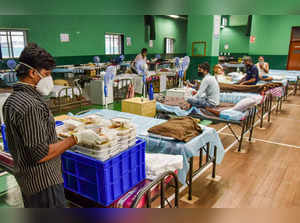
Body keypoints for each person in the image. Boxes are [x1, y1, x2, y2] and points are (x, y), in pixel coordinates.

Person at [3, 43, 103, 208]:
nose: (49, 79)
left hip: (28, 181)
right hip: (44, 183)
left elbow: (27, 136)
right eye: (47, 74)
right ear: (32, 73)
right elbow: (40, 154)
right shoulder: (31, 105)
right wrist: (76, 138)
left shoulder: (12, 100)